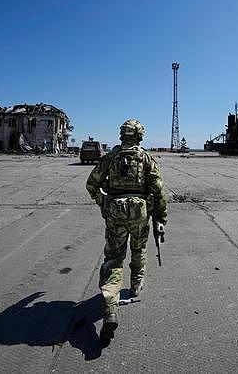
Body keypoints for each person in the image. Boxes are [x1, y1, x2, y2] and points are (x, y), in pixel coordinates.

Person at [85, 119, 167, 341]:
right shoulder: (146, 158)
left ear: (122, 135)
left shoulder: (110, 157)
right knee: (139, 249)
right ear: (140, 136)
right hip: (140, 214)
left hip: (115, 213)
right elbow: (158, 191)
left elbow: (92, 184)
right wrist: (160, 219)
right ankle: (135, 286)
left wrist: (102, 202)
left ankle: (111, 306)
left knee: (113, 258)